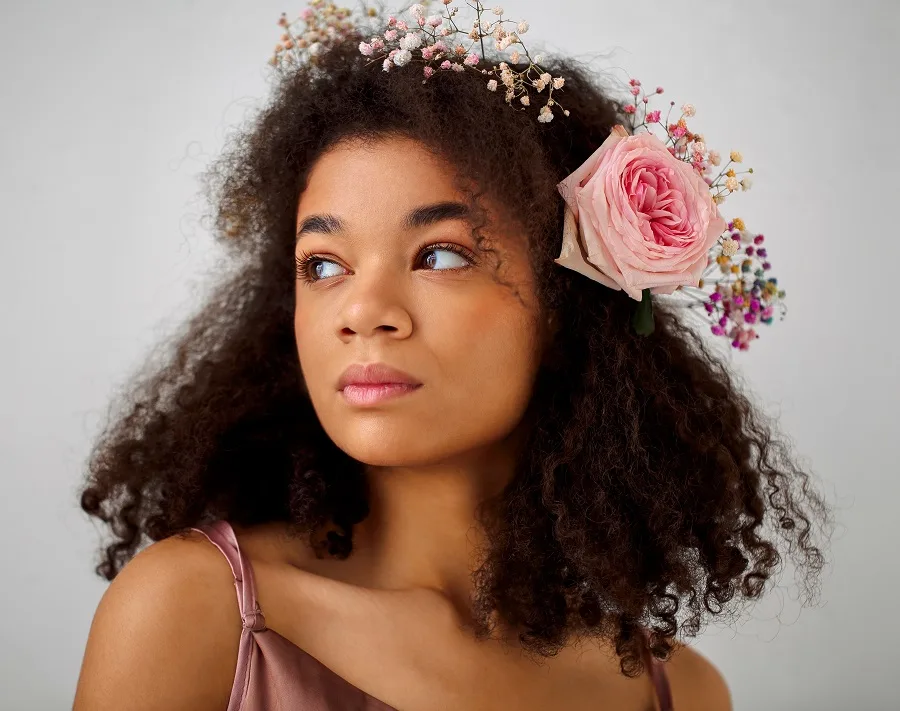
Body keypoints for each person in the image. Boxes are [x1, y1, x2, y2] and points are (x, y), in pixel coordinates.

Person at [72, 3, 832, 710]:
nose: (364, 312)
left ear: (569, 306)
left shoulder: (685, 691)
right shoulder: (191, 612)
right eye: (324, 264)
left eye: (438, 254)